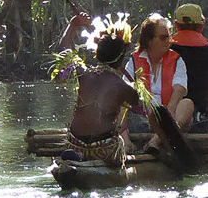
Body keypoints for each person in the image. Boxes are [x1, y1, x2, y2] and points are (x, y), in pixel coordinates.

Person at [63, 23, 138, 168]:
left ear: (97, 54)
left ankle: (76, 157)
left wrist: (73, 25)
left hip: (76, 144)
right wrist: (137, 86)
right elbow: (138, 102)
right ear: (121, 59)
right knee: (120, 140)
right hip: (104, 148)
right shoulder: (122, 86)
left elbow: (65, 50)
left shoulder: (83, 73)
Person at [125, 15, 193, 139]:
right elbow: (125, 88)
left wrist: (169, 113)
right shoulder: (134, 60)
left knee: (187, 103)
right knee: (121, 104)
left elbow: (180, 88)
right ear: (149, 40)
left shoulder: (177, 60)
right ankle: (125, 139)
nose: (168, 41)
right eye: (163, 38)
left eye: (169, 37)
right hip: (143, 116)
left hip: (169, 116)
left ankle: (158, 139)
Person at [169, 3, 208, 133]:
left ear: (176, 25)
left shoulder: (166, 49)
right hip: (205, 111)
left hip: (172, 108)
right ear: (202, 26)